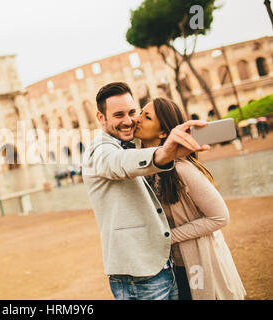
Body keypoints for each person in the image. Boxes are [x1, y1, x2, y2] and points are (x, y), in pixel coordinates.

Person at [82, 82, 210, 300]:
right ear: (101, 118)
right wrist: (162, 153)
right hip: (139, 274)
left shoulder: (129, 146)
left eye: (133, 112)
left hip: (158, 267)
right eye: (118, 115)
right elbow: (118, 163)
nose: (129, 120)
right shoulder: (100, 150)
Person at [134, 97, 246, 300]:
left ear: (163, 132)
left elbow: (220, 217)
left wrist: (168, 237)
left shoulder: (181, 168)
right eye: (141, 112)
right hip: (171, 267)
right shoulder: (142, 167)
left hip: (198, 264)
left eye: (147, 117)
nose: (138, 119)